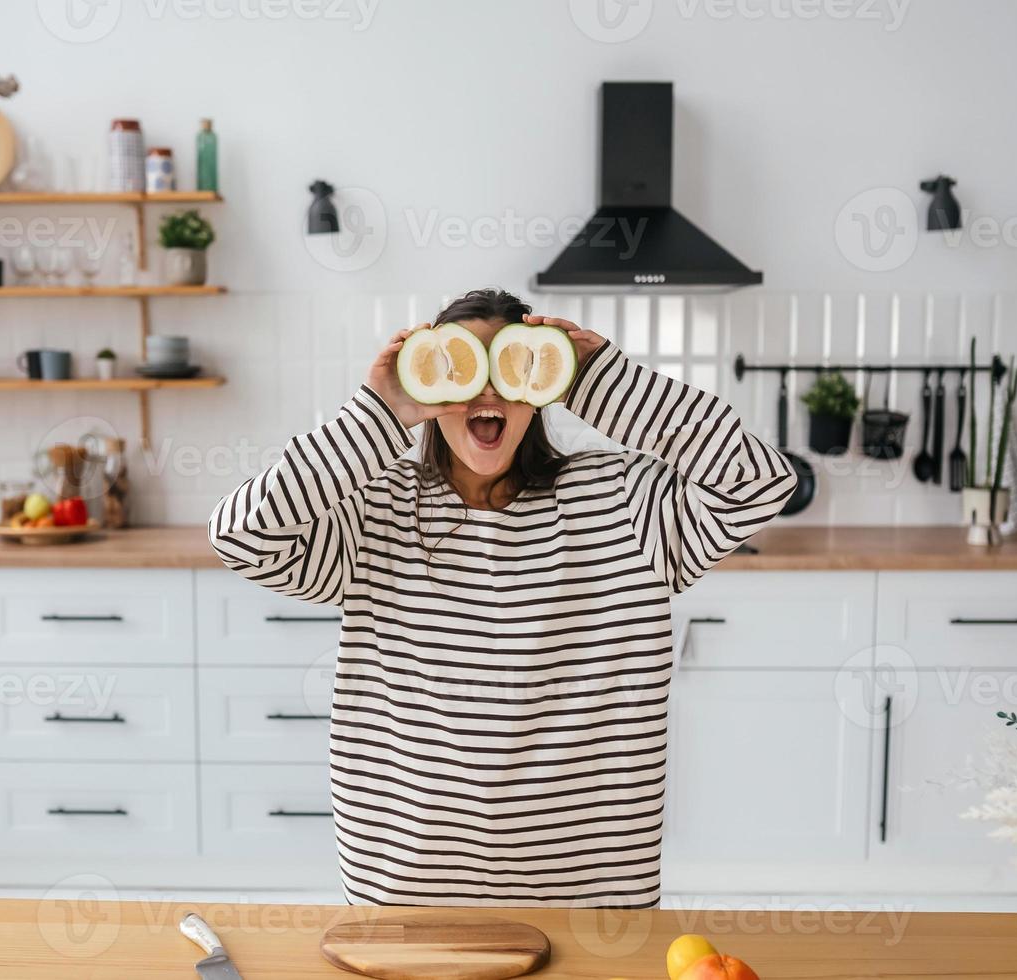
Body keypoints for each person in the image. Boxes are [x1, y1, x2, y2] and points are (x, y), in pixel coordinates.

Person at [209, 288, 796, 907]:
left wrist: (603, 381)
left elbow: (758, 484)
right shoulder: (373, 509)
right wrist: (377, 416)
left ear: (542, 384)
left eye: (507, 366)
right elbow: (241, 538)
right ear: (428, 388)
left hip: (593, 897)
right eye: (463, 369)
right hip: (406, 891)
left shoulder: (626, 502)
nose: (486, 391)